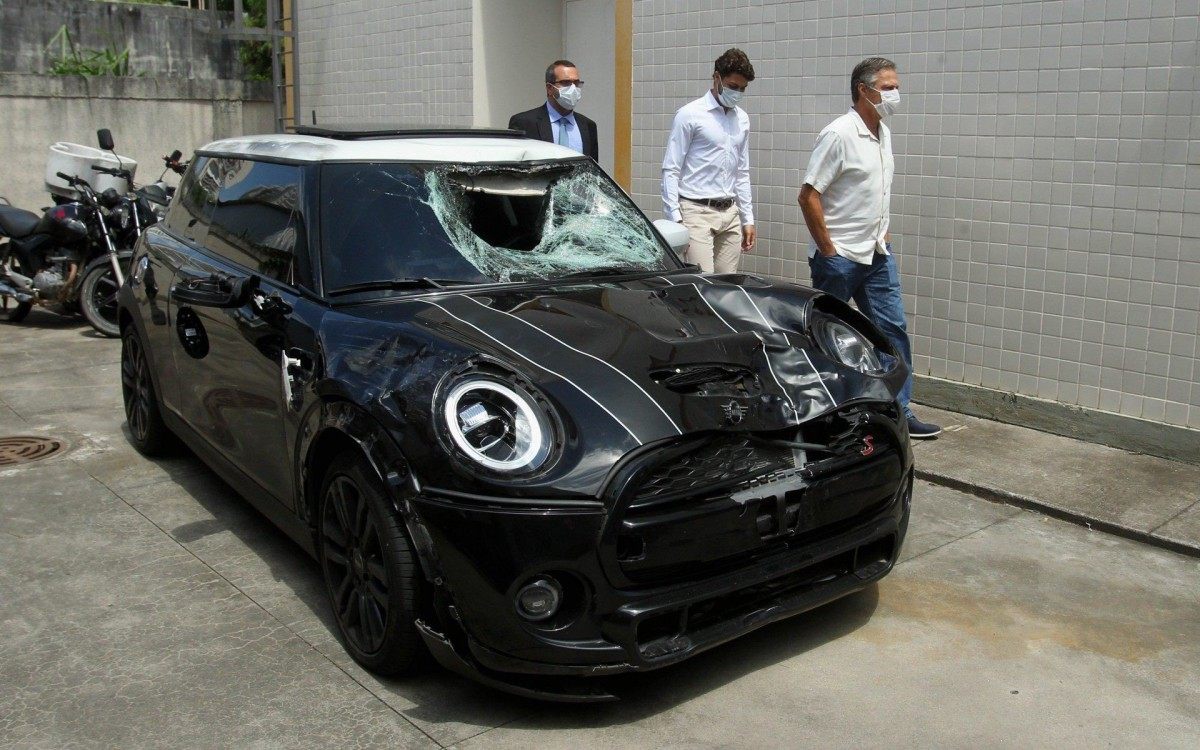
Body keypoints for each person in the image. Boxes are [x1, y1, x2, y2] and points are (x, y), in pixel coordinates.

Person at [797, 57, 941, 439]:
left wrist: (885, 237)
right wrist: (828, 249)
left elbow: (877, 193)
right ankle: (821, 413)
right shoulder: (838, 134)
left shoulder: (884, 133)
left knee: (892, 331)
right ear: (864, 90)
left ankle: (900, 410)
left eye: (896, 86)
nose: (895, 94)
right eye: (888, 87)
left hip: (877, 254)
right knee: (826, 337)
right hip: (840, 258)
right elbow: (809, 195)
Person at [661, 48, 756, 274]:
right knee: (702, 286)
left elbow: (741, 171)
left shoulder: (742, 119)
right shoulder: (690, 114)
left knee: (727, 289)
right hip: (696, 211)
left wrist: (747, 218)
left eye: (742, 89)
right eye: (733, 86)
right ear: (717, 78)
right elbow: (670, 169)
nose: (737, 93)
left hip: (730, 212)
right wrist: (675, 219)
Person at [508, 60, 599, 161]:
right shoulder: (524, 123)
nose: (573, 88)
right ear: (549, 88)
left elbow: (592, 171)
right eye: (566, 83)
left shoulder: (588, 125)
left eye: (576, 83)